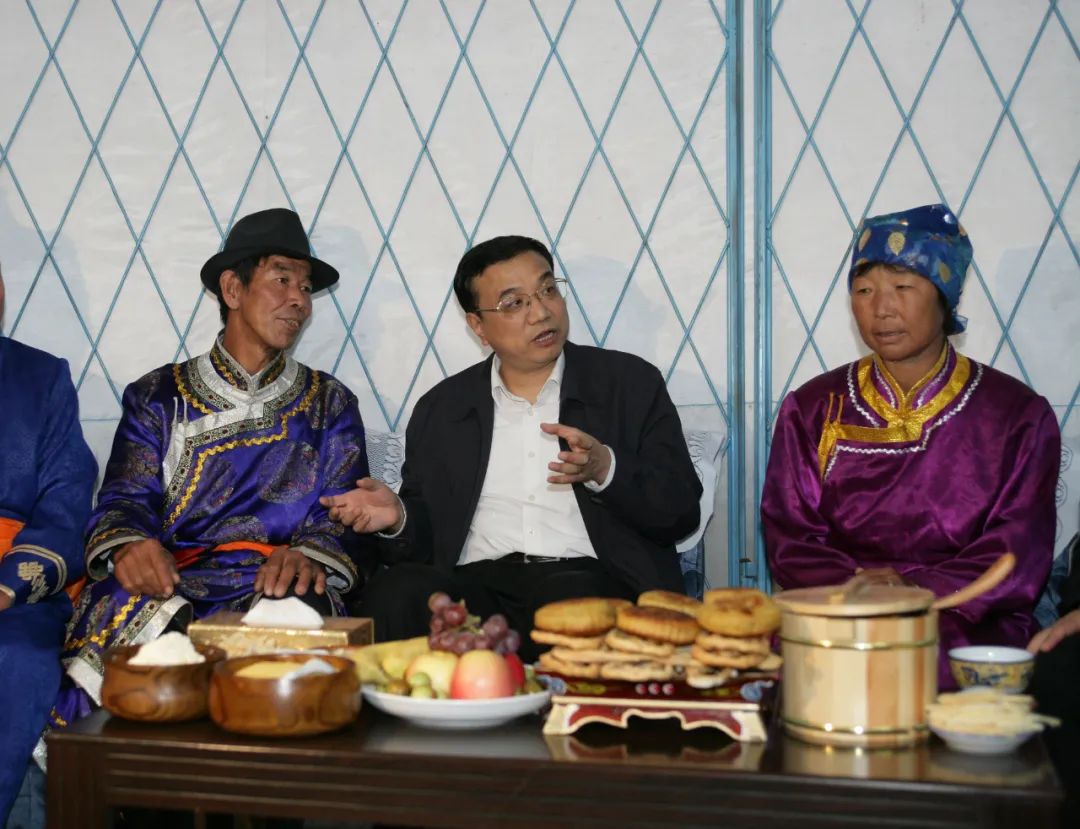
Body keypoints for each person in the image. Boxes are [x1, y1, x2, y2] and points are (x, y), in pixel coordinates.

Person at [53, 208, 371, 725]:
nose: (299, 299)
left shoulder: (329, 402)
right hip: (173, 578)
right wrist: (132, 546)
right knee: (118, 601)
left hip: (273, 582)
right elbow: (125, 497)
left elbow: (343, 507)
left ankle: (265, 775)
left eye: (306, 287)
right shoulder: (158, 396)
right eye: (282, 279)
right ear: (232, 289)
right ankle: (116, 772)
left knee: (301, 616)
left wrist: (309, 555)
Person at [322, 235, 701, 656]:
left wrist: (605, 469)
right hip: (477, 587)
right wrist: (399, 517)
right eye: (514, 303)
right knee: (398, 590)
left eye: (548, 290)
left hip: (591, 581)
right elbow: (428, 539)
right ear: (478, 326)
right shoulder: (443, 409)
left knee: (571, 600)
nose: (541, 312)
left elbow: (680, 511)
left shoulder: (628, 384)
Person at [760, 204, 1060, 689]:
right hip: (840, 608)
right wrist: (859, 589)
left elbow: (1016, 550)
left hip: (961, 615)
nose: (881, 309)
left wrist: (915, 589)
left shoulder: (1016, 415)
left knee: (918, 663)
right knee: (774, 666)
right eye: (864, 290)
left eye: (902, 287)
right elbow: (790, 536)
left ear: (944, 296)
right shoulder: (813, 407)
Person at [0, 264, 97, 826]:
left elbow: (66, 504)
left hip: (17, 594)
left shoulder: (41, 377)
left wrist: (7, 587)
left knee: (18, 657)